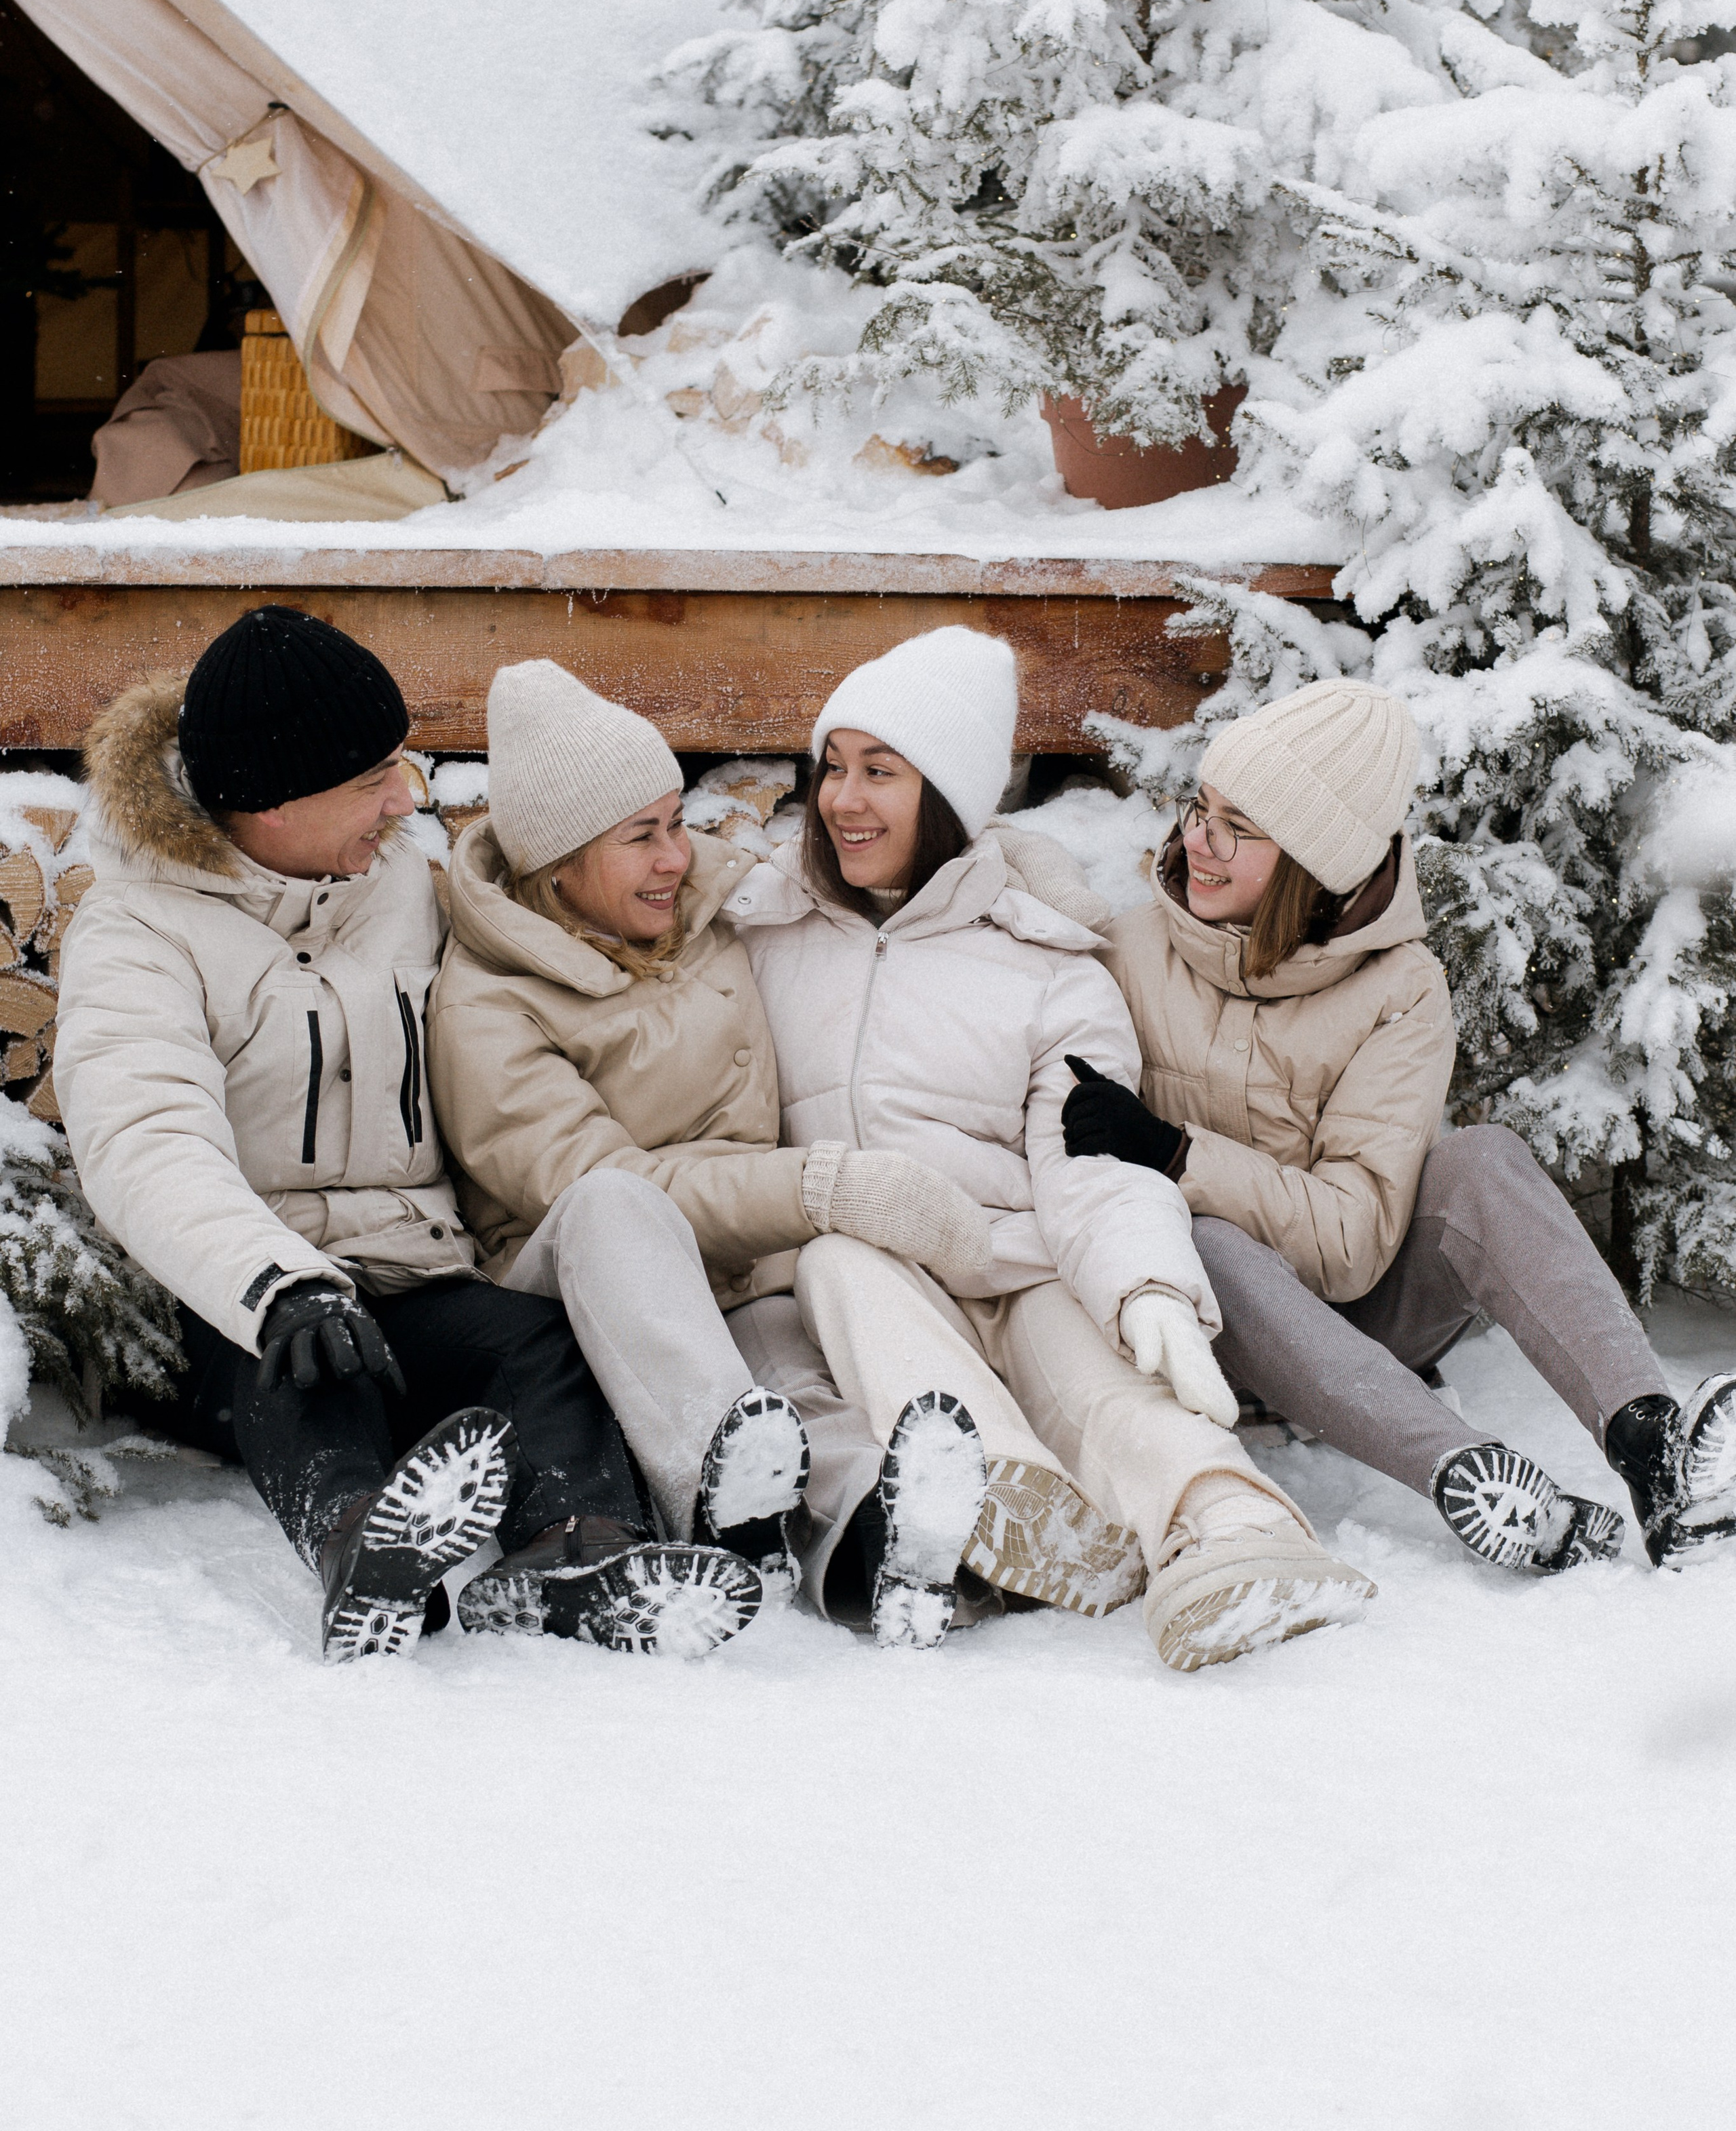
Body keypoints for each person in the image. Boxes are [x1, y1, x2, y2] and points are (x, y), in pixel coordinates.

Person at [54, 607, 760, 1663]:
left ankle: (574, 1552)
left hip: (415, 1269)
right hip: (238, 1300)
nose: (406, 798)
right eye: (372, 780)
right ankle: (360, 1549)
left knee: (538, 1347)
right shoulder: (136, 931)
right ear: (273, 803)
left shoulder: (391, 884)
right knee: (306, 1372)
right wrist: (277, 1283)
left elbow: (527, 972)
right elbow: (146, 1136)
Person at [427, 658, 1116, 1647]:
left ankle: (884, 1557)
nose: (677, 856)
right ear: (561, 864)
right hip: (585, 1281)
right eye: (642, 838)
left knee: (809, 1405)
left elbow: (895, 866)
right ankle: (720, 1492)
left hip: (743, 1262)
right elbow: (595, 1180)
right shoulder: (487, 1003)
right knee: (618, 1212)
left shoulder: (699, 908)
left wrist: (1025, 879)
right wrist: (825, 1185)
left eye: (676, 822)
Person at [724, 626, 1376, 1671]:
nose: (843, 800)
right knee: (840, 1262)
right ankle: (1010, 1501)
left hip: (1018, 1258)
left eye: (881, 772)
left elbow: (1089, 1156)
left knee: (1105, 1380)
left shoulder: (1049, 961)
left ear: (950, 796)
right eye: (832, 767)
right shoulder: (761, 930)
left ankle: (1237, 1533)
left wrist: (1148, 1288)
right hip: (864, 1267)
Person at [1077, 678, 1736, 1573]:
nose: (1199, 840)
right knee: (1207, 1240)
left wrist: (1176, 1153)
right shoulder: (1126, 951)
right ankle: (1466, 1470)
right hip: (1189, 1337)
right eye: (1201, 808)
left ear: (1315, 859)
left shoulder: (1399, 987)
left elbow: (1352, 1244)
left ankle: (1654, 1448)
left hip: (1358, 1323)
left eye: (1239, 826)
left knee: (1480, 1162)